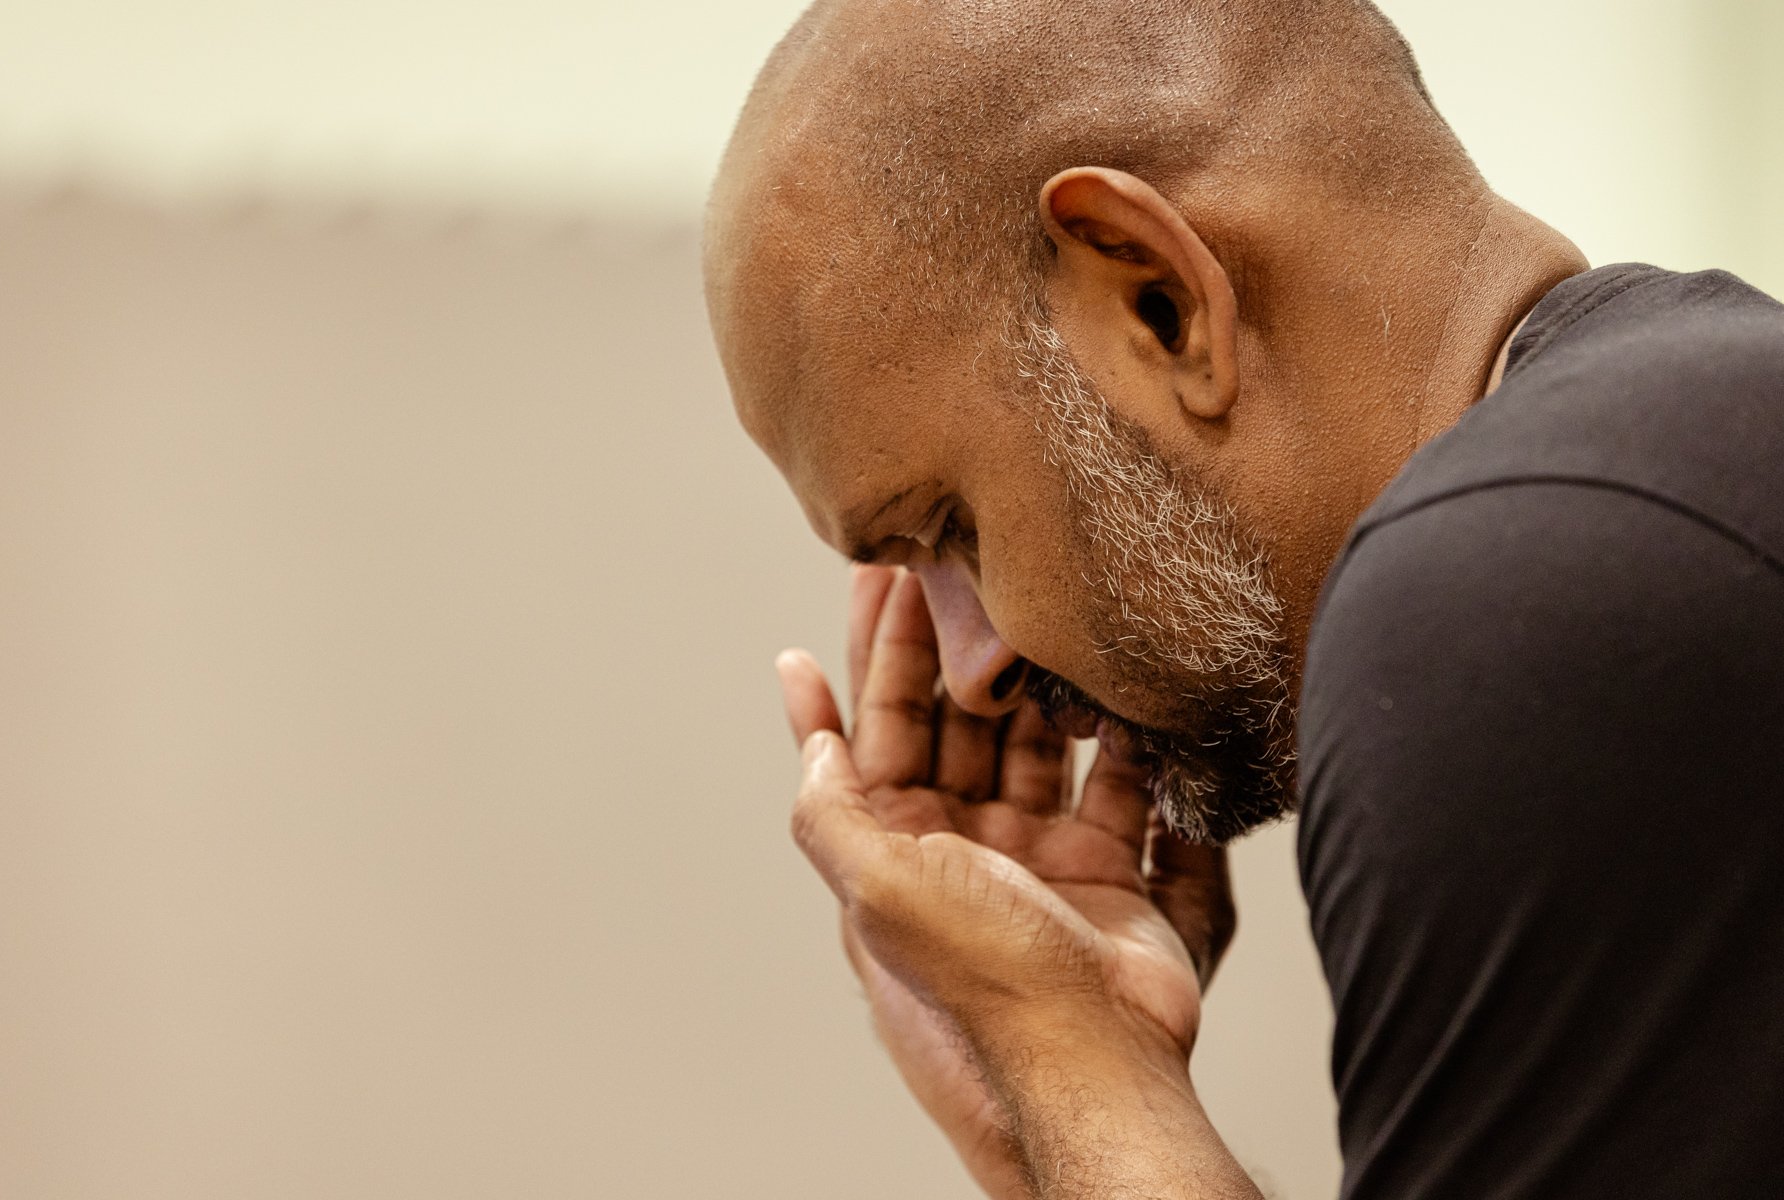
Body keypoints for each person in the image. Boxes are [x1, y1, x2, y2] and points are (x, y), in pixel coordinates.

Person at [701, 0, 1784, 1195]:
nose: (969, 670)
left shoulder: (1525, 587)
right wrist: (1056, 1092)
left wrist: (1059, 1050)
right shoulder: (1677, 477)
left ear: (1158, 300)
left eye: (949, 527)